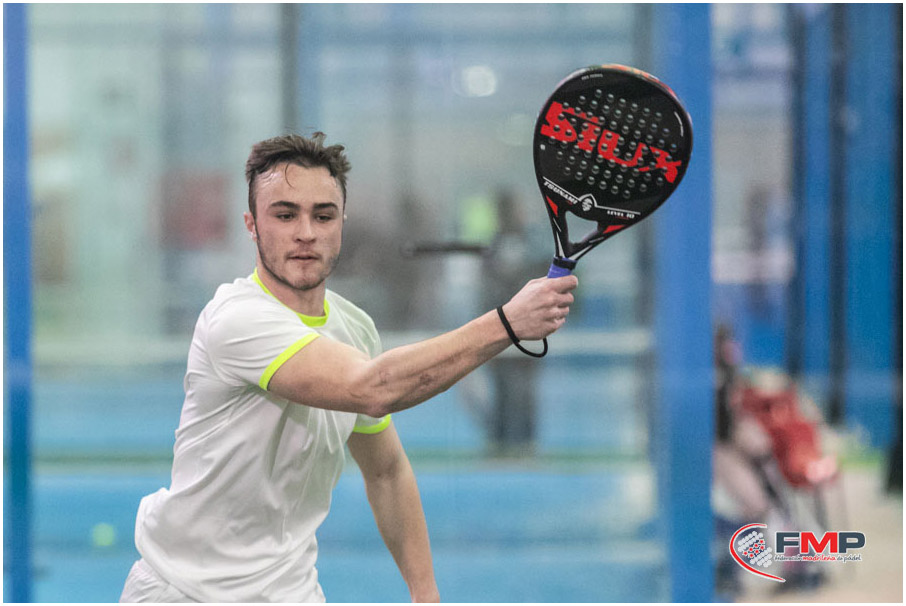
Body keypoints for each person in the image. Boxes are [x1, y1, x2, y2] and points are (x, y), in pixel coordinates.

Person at [121, 132, 578, 603]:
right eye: (284, 215)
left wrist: (426, 594)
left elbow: (386, 471)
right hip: (182, 591)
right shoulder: (235, 319)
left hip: (291, 592)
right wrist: (507, 323)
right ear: (252, 225)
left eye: (323, 215)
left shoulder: (354, 328)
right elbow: (372, 387)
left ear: (342, 224)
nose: (306, 232)